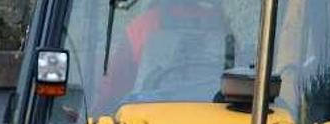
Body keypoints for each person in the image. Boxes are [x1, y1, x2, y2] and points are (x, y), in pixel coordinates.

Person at [98, 0, 232, 112]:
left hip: (150, 122)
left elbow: (110, 93)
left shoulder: (143, 26)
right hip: (213, 119)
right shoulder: (219, 24)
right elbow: (239, 80)